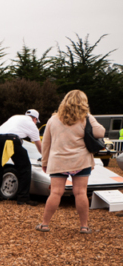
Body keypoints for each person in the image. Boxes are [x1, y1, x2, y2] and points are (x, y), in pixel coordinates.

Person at [36, 90, 105, 233]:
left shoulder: (53, 120)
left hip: (58, 161)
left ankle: (44, 224)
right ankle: (84, 226)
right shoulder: (85, 118)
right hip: (81, 161)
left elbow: (46, 143)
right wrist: (88, 115)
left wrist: (45, 162)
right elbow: (100, 132)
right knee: (80, 193)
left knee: (56, 192)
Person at [0, 109, 43, 205]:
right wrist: (45, 158)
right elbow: (39, 146)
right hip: (11, 139)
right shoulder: (31, 124)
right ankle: (23, 198)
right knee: (25, 167)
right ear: (35, 119)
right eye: (36, 122)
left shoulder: (15, 117)